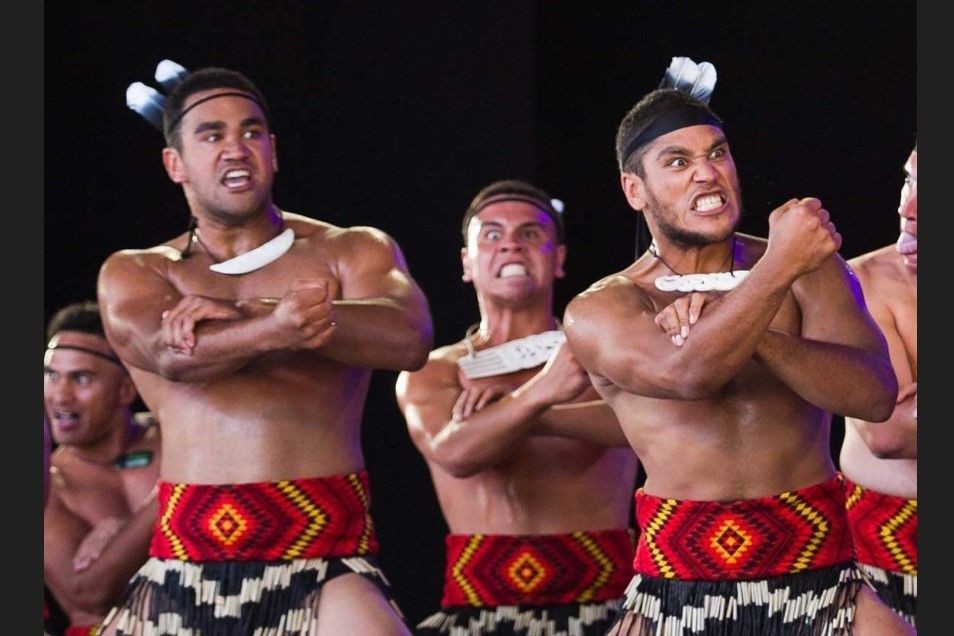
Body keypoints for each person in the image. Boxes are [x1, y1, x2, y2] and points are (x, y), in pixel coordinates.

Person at [562, 87, 914, 634]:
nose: (706, 173)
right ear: (635, 190)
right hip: (675, 592)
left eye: (717, 153)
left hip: (824, 578)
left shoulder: (809, 269)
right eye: (678, 162)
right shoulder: (603, 307)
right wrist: (776, 269)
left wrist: (761, 331)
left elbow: (872, 397)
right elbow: (690, 375)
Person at [95, 65, 433, 635]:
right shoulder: (138, 269)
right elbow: (175, 355)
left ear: (273, 153)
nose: (236, 148)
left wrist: (254, 317)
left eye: (251, 132)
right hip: (182, 564)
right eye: (211, 135)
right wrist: (282, 324)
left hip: (326, 562)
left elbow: (409, 337)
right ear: (174, 164)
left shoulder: (348, 249)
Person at [395, 179, 639, 635]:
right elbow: (455, 453)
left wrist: (519, 415)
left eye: (530, 234)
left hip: (610, 611)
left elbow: (646, 429)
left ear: (558, 258)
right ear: (467, 263)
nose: (510, 244)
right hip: (475, 616)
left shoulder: (600, 352)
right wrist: (540, 394)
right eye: (491, 234)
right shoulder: (432, 370)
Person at [43, 300, 162, 636]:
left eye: (80, 378)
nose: (60, 396)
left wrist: (122, 530)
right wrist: (175, 494)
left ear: (126, 389)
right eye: (51, 376)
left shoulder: (174, 437)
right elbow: (89, 594)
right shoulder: (50, 482)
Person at [840, 144, 917, 628]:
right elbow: (888, 433)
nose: (907, 209)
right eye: (908, 182)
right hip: (879, 562)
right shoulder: (860, 281)